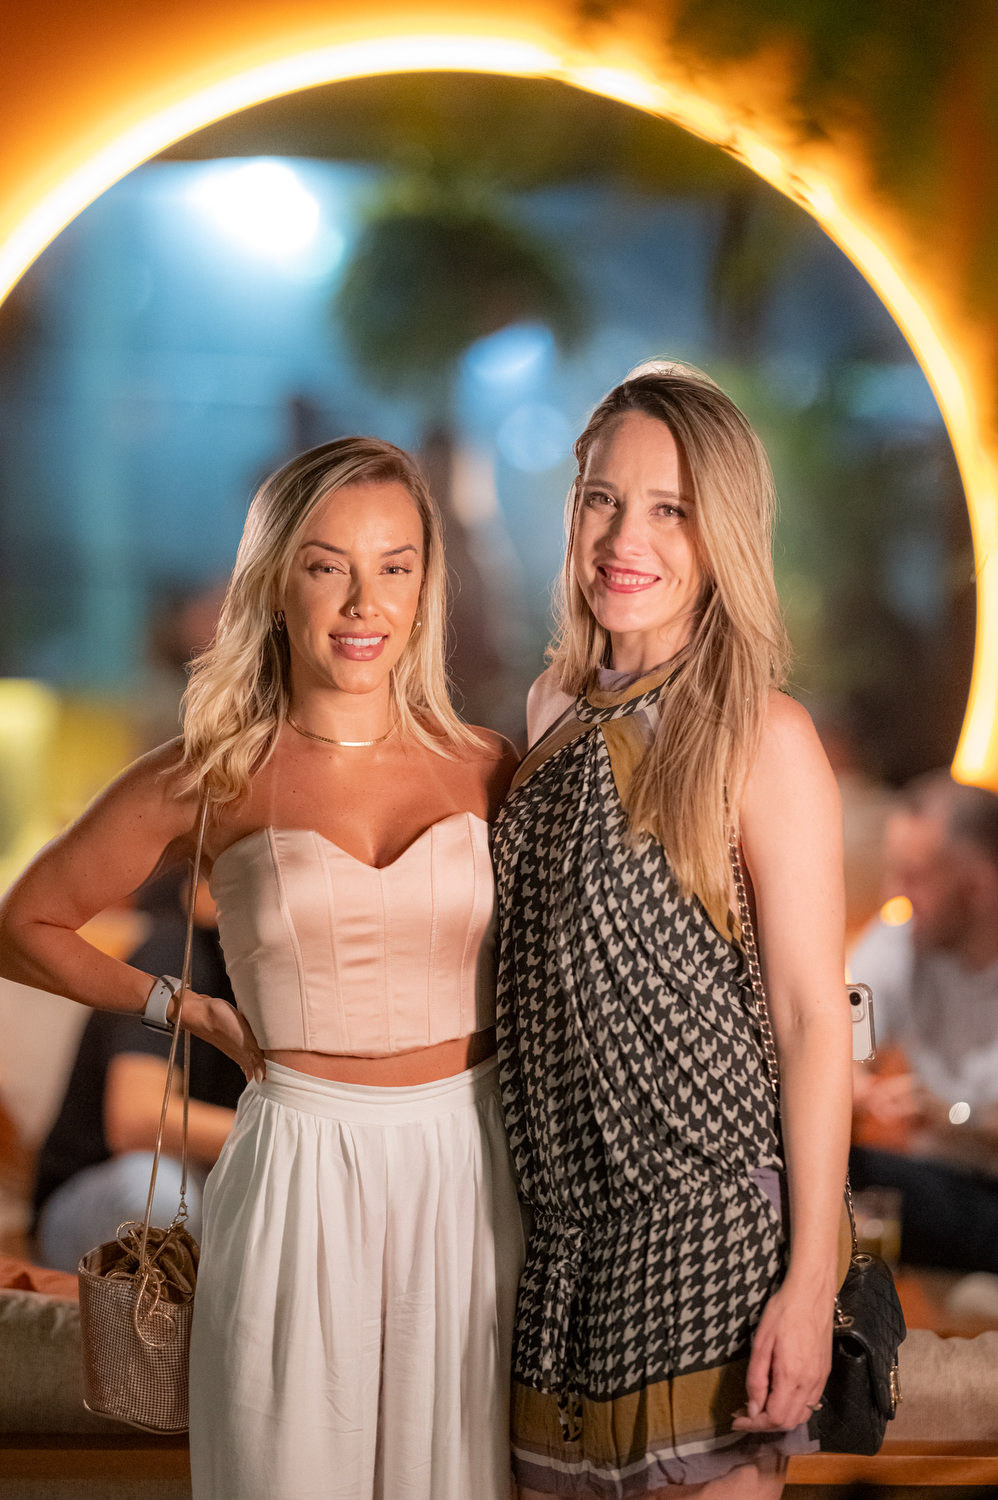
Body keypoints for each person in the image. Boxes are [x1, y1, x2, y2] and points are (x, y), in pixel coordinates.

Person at [0, 436, 523, 1500]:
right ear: (277, 581)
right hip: (296, 1168)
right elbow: (26, 924)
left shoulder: (490, 766)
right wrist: (181, 1007)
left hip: (468, 1170)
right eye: (328, 565)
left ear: (426, 584)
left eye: (394, 565)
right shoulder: (214, 771)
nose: (363, 602)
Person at [493, 364, 851, 1499]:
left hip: (708, 1247)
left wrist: (808, 1287)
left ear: (721, 534)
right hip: (558, 1263)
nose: (623, 538)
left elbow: (811, 1023)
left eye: (669, 509)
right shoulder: (548, 709)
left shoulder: (761, 733)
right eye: (601, 499)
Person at [31, 874, 245, 1272]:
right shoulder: (174, 951)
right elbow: (136, 1120)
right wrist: (283, 1135)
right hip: (92, 1194)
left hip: (212, 1183)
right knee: (156, 1189)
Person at [850, 770, 998, 1273]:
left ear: (977, 886)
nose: (895, 894)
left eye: (913, 876)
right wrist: (860, 1089)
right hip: (942, 1187)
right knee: (820, 1168)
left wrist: (950, 1115)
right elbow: (844, 1046)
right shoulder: (898, 940)